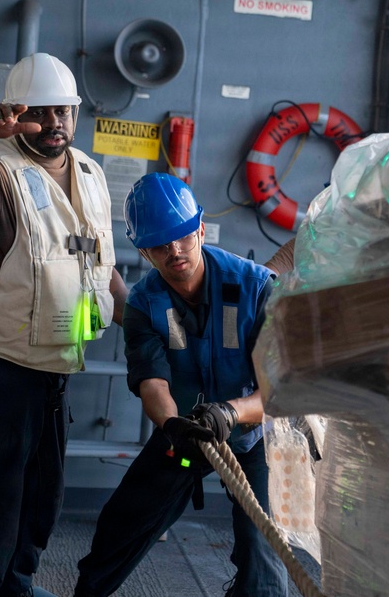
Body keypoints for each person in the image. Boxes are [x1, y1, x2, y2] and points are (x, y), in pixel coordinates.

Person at [0, 52, 129, 597]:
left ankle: (14, 590)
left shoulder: (88, 172)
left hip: (54, 373)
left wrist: (136, 316)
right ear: (17, 117)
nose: (55, 123)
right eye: (39, 113)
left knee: (39, 509)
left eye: (64, 111)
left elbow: (100, 262)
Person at [73, 173, 289, 597]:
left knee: (260, 551)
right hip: (186, 431)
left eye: (184, 237)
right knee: (122, 523)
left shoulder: (254, 287)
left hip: (251, 433)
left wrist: (230, 412)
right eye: (159, 244)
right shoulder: (143, 304)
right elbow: (152, 380)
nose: (175, 252)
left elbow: (279, 390)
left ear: (201, 230)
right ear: (144, 251)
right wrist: (172, 426)